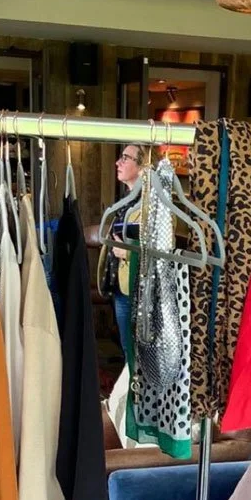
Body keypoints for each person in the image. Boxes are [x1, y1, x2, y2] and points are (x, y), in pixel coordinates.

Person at [108, 142, 145, 357]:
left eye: (125, 158)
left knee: (135, 351)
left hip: (137, 286)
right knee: (127, 347)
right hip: (121, 284)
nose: (118, 162)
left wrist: (127, 252)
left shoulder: (150, 202)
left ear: (141, 167)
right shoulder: (126, 200)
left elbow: (158, 244)